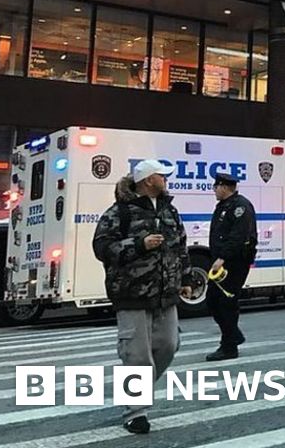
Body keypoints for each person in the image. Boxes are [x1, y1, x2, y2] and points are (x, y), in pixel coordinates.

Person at [92, 160, 192, 435]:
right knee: (137, 355)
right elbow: (102, 247)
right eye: (161, 175)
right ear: (148, 180)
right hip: (131, 293)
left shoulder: (169, 210)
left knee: (169, 345)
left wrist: (185, 279)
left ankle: (136, 391)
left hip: (166, 293)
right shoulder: (120, 212)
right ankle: (136, 412)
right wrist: (139, 244)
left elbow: (181, 246)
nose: (166, 179)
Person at [205, 172, 258, 361]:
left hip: (235, 262)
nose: (214, 190)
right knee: (212, 300)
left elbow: (238, 236)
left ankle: (229, 346)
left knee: (226, 303)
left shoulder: (240, 206)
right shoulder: (224, 205)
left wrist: (223, 258)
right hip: (222, 260)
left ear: (224, 187)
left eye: (216, 187)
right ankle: (233, 334)